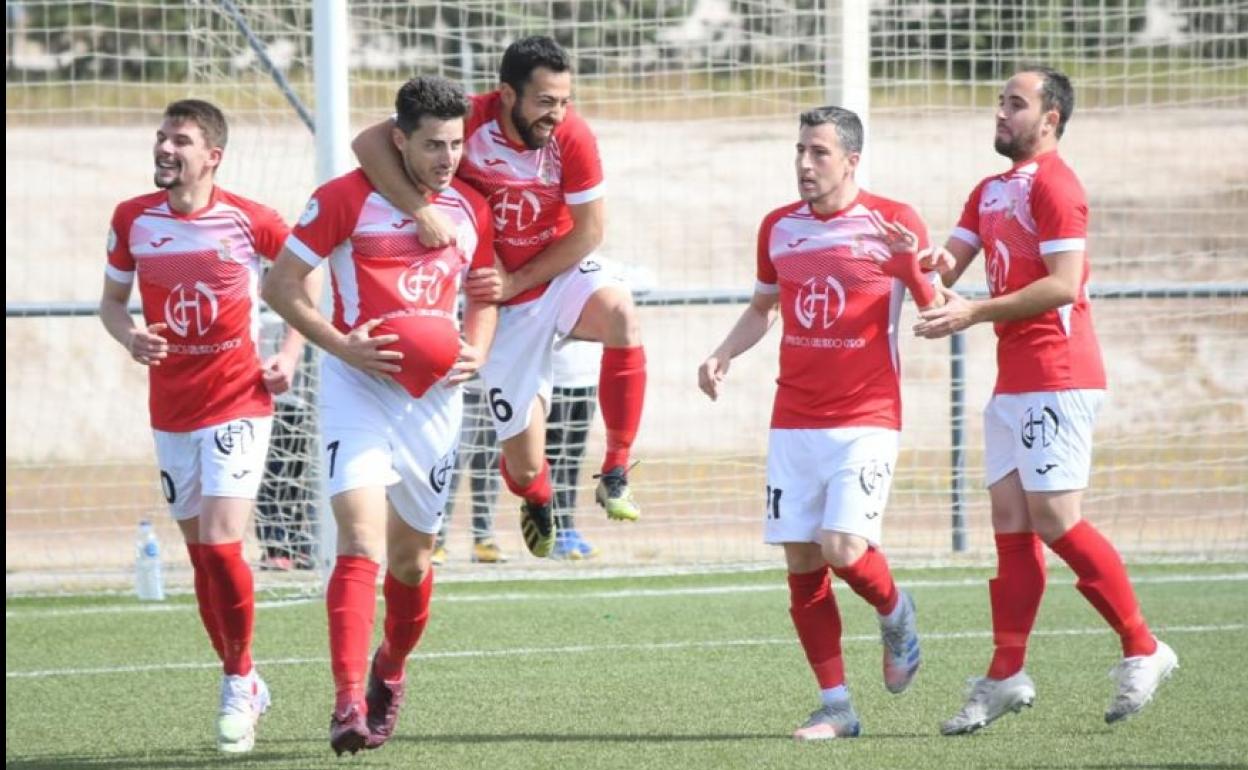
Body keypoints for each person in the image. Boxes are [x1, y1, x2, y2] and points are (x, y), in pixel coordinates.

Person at [913, 66, 1178, 733]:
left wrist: (973, 315)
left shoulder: (1059, 186)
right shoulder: (990, 189)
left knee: (1056, 520)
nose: (1000, 112)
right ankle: (1005, 674)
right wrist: (912, 260)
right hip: (1014, 380)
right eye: (999, 101)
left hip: (1059, 373)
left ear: (1051, 119)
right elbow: (947, 270)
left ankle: (1144, 647)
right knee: (1011, 525)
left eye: (1015, 104)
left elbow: (1064, 285)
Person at [261, 76, 497, 756]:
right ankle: (345, 704)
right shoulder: (343, 199)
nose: (447, 158)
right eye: (432, 145)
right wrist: (342, 347)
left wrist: (476, 349)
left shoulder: (470, 208)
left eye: (454, 144)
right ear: (400, 140)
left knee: (412, 561)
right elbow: (279, 285)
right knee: (359, 544)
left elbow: (485, 294)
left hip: (437, 403)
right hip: (356, 391)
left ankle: (389, 669)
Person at [698, 105, 944, 741]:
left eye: (820, 153)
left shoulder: (894, 222)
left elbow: (934, 309)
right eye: (800, 151)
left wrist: (909, 263)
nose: (805, 164)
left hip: (867, 415)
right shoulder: (779, 227)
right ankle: (835, 705)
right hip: (793, 419)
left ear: (852, 161)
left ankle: (896, 610)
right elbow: (762, 309)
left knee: (843, 549)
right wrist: (724, 351)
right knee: (803, 564)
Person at [352, 35, 646, 560]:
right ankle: (536, 496)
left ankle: (617, 467)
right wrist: (420, 213)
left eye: (564, 101)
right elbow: (369, 145)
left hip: (556, 273)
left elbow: (589, 231)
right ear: (507, 95)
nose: (556, 115)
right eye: (544, 102)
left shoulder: (571, 136)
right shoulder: (468, 118)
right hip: (504, 304)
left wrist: (519, 278)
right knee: (528, 466)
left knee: (622, 312)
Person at [99, 99, 311, 753]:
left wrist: (289, 356)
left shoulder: (253, 221)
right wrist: (131, 337)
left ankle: (237, 683)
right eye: (161, 138)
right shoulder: (132, 219)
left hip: (239, 402)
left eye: (180, 141)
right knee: (201, 561)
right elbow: (109, 303)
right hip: (171, 411)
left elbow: (304, 289)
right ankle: (246, 675)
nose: (165, 148)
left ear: (211, 156)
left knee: (222, 547)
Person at [434, 381, 507, 565]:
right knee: (451, 466)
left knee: (490, 466)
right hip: (457, 390)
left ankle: (484, 539)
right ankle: (436, 539)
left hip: (497, 390)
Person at [548, 338, 603, 559]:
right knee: (554, 457)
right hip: (555, 377)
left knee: (574, 457)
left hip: (587, 378)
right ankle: (554, 530)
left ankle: (567, 528)